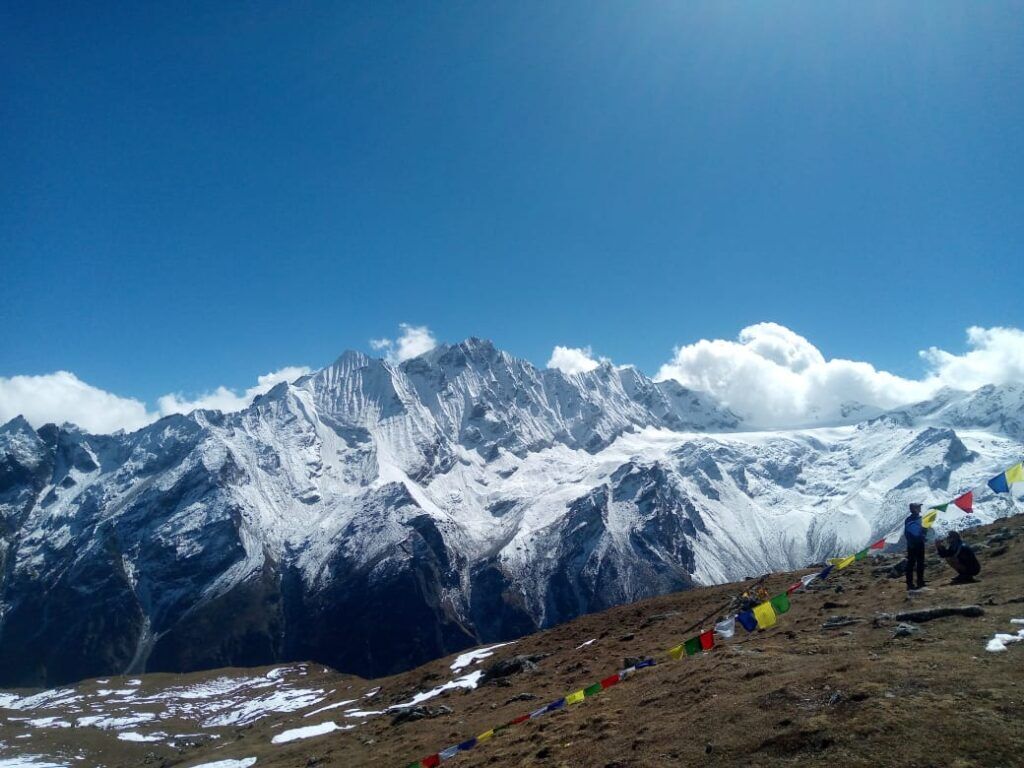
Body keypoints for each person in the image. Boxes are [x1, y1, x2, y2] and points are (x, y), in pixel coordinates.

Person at [904, 503, 927, 590]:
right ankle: (919, 582)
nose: (920, 508)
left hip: (912, 544)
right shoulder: (920, 519)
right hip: (918, 543)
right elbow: (923, 530)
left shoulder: (908, 520)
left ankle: (910, 583)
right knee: (918, 563)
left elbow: (907, 533)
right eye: (919, 507)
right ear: (915, 509)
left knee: (912, 563)